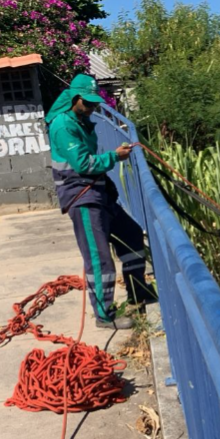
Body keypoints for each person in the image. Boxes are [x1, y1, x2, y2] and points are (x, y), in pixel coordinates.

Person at [45, 73, 151, 329]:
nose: (93, 108)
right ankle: (105, 315)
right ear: (75, 98)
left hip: (98, 190)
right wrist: (115, 157)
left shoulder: (82, 120)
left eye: (95, 103)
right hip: (81, 198)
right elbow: (83, 163)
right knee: (99, 258)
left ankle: (138, 291)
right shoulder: (63, 125)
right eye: (89, 103)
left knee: (132, 234)